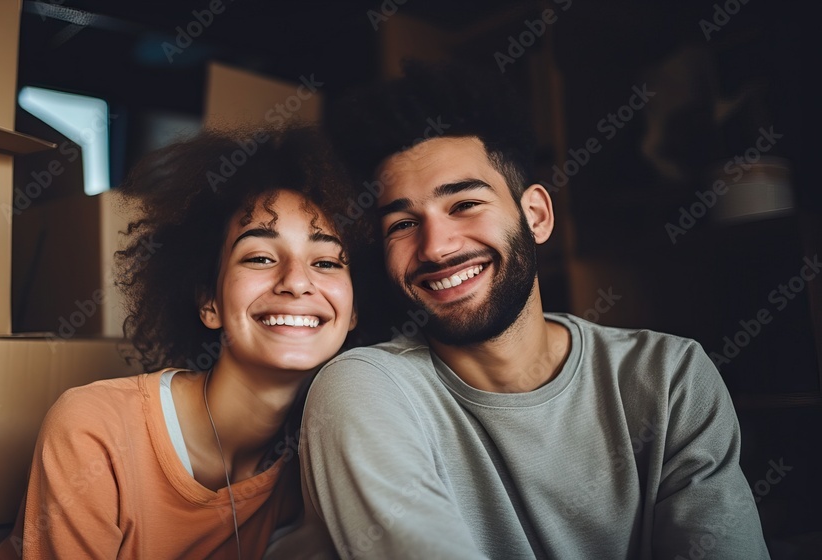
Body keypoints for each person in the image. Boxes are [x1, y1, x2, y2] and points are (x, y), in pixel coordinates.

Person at [297, 62, 770, 559]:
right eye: (402, 224)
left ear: (537, 216)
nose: (436, 248)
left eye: (464, 205)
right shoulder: (369, 389)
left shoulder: (671, 377)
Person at [0, 125, 362, 559]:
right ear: (209, 301)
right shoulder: (94, 430)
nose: (297, 282)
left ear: (354, 310)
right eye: (260, 257)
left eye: (325, 261)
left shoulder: (316, 459)